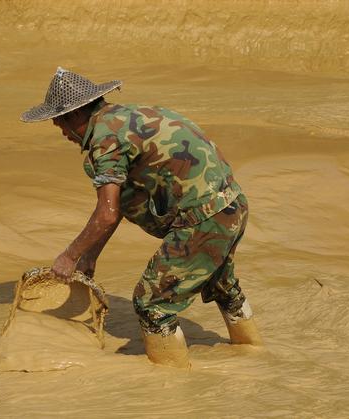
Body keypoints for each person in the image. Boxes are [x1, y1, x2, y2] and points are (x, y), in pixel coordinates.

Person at [20, 67, 262, 369]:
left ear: (75, 115)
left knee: (151, 304)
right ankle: (255, 355)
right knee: (223, 286)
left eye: (61, 125)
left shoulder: (105, 140)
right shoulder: (130, 116)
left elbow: (106, 214)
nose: (64, 133)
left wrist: (70, 256)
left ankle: (171, 387)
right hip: (232, 205)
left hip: (202, 218)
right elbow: (119, 205)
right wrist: (91, 256)